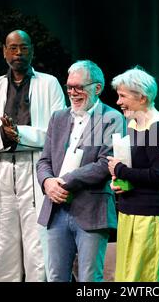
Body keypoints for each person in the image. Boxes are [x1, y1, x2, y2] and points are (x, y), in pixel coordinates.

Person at [0, 30, 65, 282]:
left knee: (37, 246)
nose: (18, 53)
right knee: (2, 247)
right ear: (4, 51)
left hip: (35, 169)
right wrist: (4, 137)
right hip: (2, 170)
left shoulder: (49, 83)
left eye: (23, 48)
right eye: (12, 48)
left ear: (32, 50)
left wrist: (20, 134)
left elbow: (59, 133)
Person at [36, 60, 125, 282]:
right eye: (69, 87)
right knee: (56, 277)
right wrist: (47, 182)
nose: (72, 93)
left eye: (79, 87)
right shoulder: (58, 117)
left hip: (91, 210)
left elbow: (106, 163)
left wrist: (63, 181)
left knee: (89, 279)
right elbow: (44, 160)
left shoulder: (112, 118)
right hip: (56, 211)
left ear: (97, 88)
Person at [106, 66, 159, 282]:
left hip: (151, 215)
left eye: (123, 96)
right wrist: (120, 181)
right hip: (130, 211)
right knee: (129, 276)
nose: (118, 102)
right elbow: (136, 168)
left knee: (148, 277)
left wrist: (120, 170)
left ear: (142, 97)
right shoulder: (134, 124)